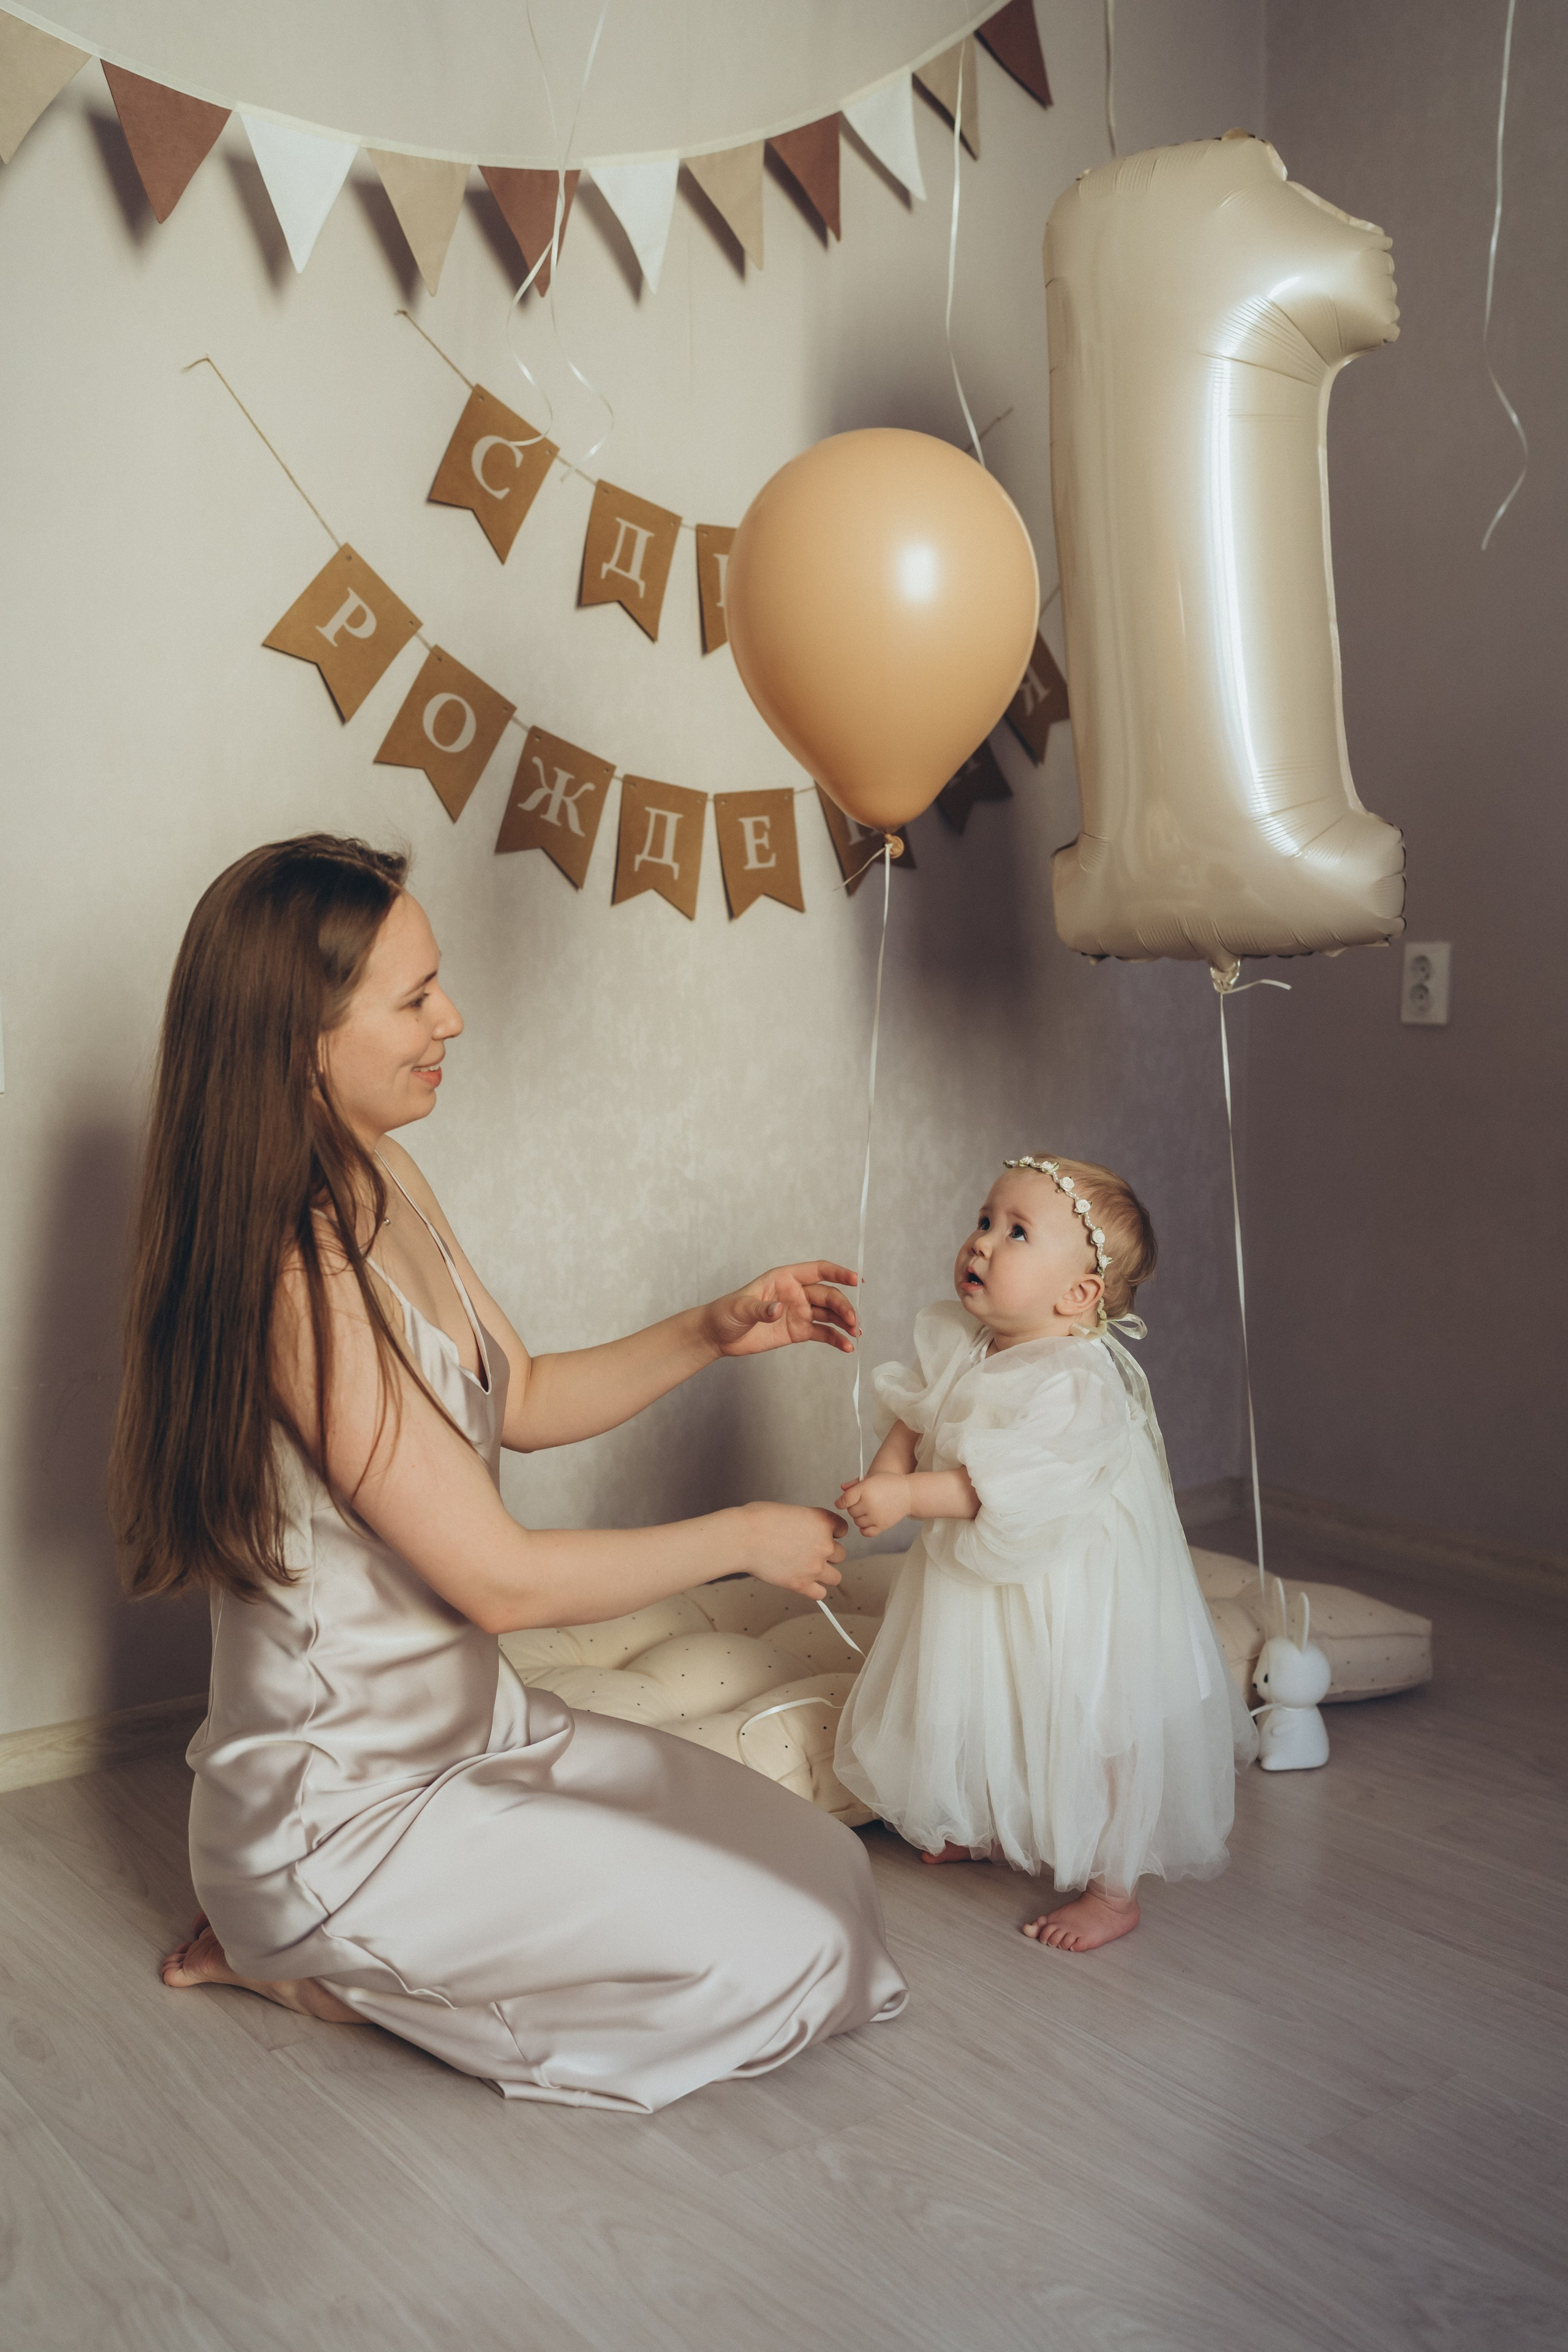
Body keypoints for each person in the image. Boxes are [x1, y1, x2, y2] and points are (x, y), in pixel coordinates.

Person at [108, 834, 906, 2109]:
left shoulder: (384, 1170)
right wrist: (744, 1537)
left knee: (831, 1873)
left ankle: (347, 1951)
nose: (454, 1019)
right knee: (797, 1957)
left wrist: (713, 1329)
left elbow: (519, 1398)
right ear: (302, 1042)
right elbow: (500, 1581)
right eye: (416, 997)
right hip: (348, 1814)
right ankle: (301, 1952)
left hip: (480, 1739)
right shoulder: (296, 1277)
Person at [833, 1153, 1256, 1953]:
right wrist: (886, 1476)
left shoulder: (1076, 1381)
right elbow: (915, 1417)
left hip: (1071, 1584)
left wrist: (908, 1498)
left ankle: (1113, 1887)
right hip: (983, 1573)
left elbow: (995, 1489)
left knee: (1088, 1719)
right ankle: (987, 1822)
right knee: (989, 1692)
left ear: (1078, 1295)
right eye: (985, 1221)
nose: (983, 1242)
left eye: (1017, 1233)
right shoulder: (962, 1337)